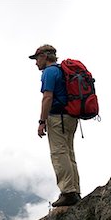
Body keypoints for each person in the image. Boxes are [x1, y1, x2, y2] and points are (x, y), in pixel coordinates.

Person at [29, 44, 80, 207]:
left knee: (58, 153)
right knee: (69, 153)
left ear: (44, 56)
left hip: (58, 118)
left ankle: (68, 192)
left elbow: (47, 97)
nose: (36, 62)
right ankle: (75, 190)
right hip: (71, 116)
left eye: (37, 58)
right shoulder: (61, 71)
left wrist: (42, 121)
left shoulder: (49, 72)